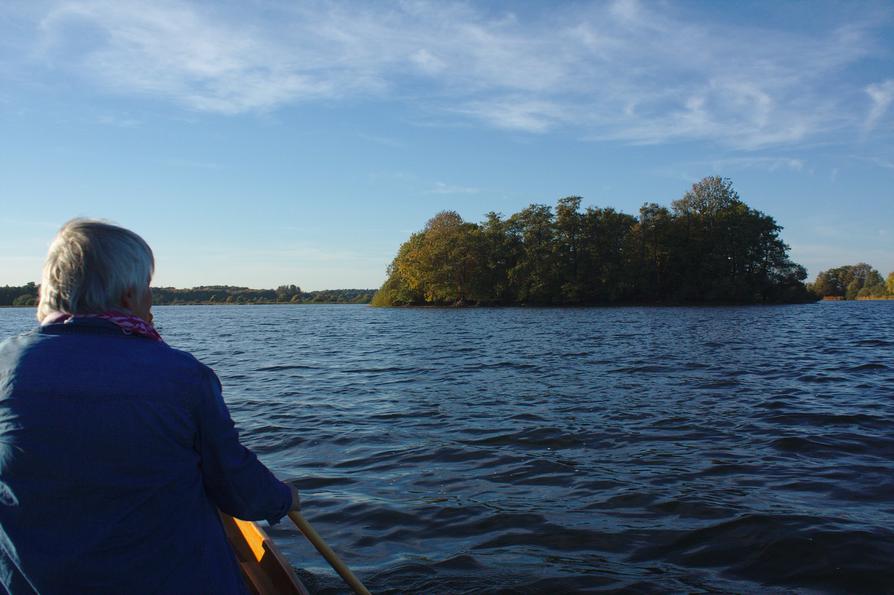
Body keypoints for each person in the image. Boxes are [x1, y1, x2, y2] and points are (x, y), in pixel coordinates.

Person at [0, 219, 300, 594]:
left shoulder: (4, 365)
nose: (149, 297)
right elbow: (238, 489)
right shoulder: (182, 375)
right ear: (128, 293)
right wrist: (285, 498)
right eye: (147, 286)